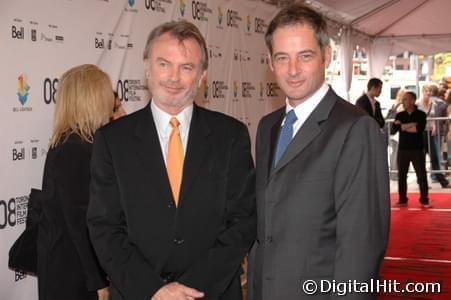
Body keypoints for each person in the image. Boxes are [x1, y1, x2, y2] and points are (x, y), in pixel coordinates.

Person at [87, 20, 256, 300]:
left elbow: (243, 221)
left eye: (186, 67)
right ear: (147, 67)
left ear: (202, 75)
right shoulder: (112, 140)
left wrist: (189, 292)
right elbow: (104, 226)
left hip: (210, 293)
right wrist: (153, 290)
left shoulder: (231, 136)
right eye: (164, 64)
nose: (173, 77)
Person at [248, 4, 390, 299]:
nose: (293, 70)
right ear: (270, 63)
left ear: (326, 56)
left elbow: (361, 247)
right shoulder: (268, 126)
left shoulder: (355, 128)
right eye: (282, 58)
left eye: (305, 56)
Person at [37, 64, 111, 300]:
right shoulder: (73, 149)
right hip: (73, 273)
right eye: (105, 92)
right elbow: (79, 222)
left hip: (75, 266)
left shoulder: (78, 143)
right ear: (92, 97)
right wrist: (97, 281)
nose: (110, 99)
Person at [391, 91, 430, 207]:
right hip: (403, 149)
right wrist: (411, 124)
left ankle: (424, 199)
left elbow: (418, 130)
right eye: (403, 99)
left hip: (417, 149)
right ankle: (402, 198)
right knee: (402, 175)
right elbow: (394, 130)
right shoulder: (400, 115)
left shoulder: (421, 114)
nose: (403, 101)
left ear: (413, 101)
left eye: (406, 99)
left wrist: (403, 126)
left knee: (421, 175)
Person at [417, 84, 450, 188]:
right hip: (421, 134)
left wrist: (435, 126)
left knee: (435, 157)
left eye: (430, 91)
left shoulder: (433, 103)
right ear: (423, 91)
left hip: (430, 133)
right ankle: (422, 182)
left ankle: (443, 182)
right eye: (426, 91)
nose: (428, 93)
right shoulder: (417, 103)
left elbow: (433, 117)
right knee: (421, 159)